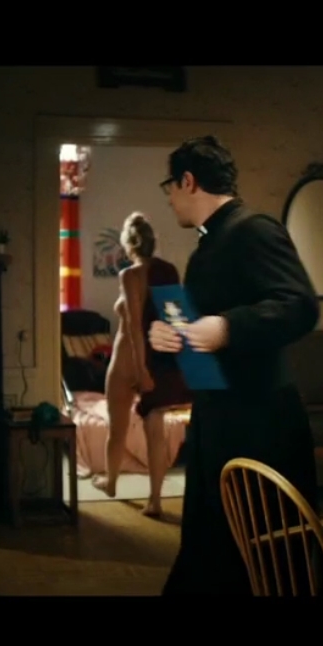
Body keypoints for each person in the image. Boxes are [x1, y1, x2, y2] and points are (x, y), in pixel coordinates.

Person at [148, 135, 321, 595]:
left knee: (263, 562)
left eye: (169, 186)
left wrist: (227, 328)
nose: (169, 198)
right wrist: (167, 337)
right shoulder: (205, 247)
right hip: (218, 423)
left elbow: (300, 305)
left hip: (260, 427)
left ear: (188, 181)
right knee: (211, 552)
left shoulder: (253, 229)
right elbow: (199, 335)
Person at [92, 211, 193, 518]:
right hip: (160, 358)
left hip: (129, 360)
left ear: (128, 244)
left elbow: (134, 326)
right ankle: (155, 500)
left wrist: (141, 370)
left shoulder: (130, 275)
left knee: (117, 429)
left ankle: (111, 482)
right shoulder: (168, 271)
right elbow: (177, 319)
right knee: (155, 433)